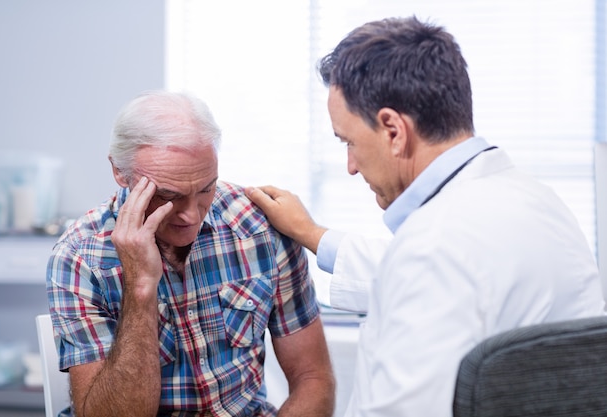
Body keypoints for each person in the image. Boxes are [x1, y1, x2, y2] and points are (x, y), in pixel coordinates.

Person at [245, 16, 606, 417]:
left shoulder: (434, 248)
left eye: (349, 141)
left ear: (394, 131)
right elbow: (439, 275)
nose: (349, 165)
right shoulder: (537, 203)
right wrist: (312, 234)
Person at [46, 90, 335, 417]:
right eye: (168, 195)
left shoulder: (260, 228)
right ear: (119, 172)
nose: (192, 216)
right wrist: (141, 288)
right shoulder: (80, 258)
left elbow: (314, 379)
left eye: (206, 189)